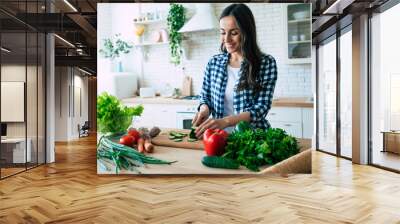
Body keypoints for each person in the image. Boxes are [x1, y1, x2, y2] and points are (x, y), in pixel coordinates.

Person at [192, 3, 278, 139]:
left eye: (234, 33)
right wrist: (204, 109)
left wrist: (225, 121)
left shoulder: (266, 63)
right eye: (222, 32)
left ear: (247, 32)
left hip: (252, 139)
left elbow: (260, 108)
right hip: (218, 138)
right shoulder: (214, 62)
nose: (226, 39)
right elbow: (205, 96)